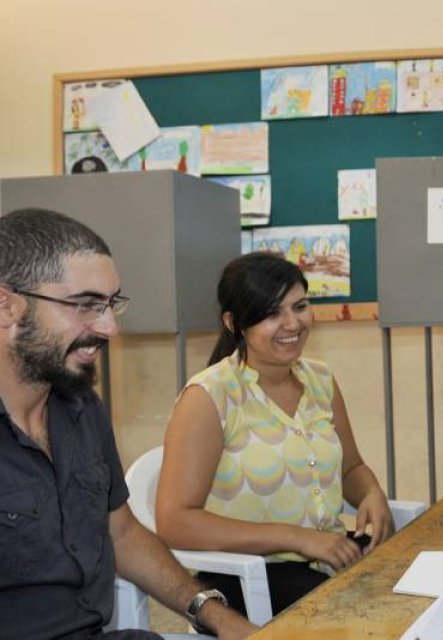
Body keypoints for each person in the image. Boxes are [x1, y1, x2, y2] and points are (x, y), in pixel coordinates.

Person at [0, 208, 255, 639]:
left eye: (111, 303)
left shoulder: (81, 408)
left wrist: (215, 615)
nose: (109, 327)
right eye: (85, 305)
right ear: (7, 306)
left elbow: (121, 533)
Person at [155, 252, 393, 618]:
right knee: (373, 615)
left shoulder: (320, 380)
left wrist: (372, 492)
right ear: (234, 322)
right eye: (271, 313)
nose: (292, 323)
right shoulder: (209, 396)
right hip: (248, 576)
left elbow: (351, 469)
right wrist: (297, 538)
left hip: (327, 559)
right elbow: (175, 522)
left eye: (299, 306)